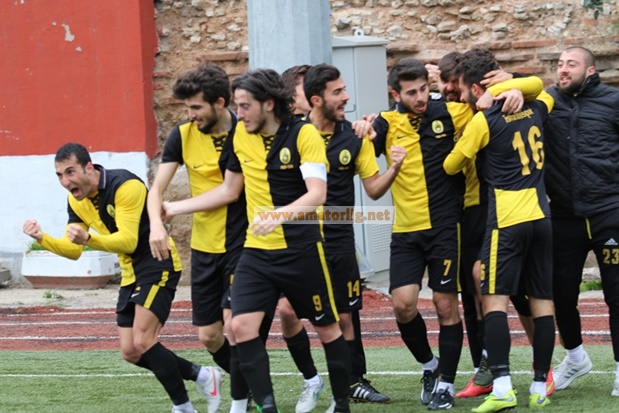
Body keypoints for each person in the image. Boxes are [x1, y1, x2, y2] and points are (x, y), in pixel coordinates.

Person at [163, 69, 352, 413]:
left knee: (327, 329)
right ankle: (267, 407)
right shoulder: (240, 134)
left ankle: (341, 405)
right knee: (239, 326)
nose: (240, 113)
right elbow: (229, 190)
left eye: (245, 106)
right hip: (256, 253)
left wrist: (277, 216)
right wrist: (174, 207)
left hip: (301, 251)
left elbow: (317, 194)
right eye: (237, 105)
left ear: (268, 104)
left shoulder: (304, 134)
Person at [370, 57, 537, 411]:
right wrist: (358, 128)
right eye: (411, 93)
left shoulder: (452, 112)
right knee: (403, 305)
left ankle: (445, 383)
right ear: (394, 94)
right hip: (405, 231)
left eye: (423, 89)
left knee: (446, 305)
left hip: (446, 228)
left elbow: (530, 89)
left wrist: (512, 85)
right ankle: (429, 366)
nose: (420, 97)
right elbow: (358, 156)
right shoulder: (384, 123)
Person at [22, 143, 221, 413]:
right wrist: (42, 238)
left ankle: (184, 407)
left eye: (70, 172)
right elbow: (73, 251)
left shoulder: (125, 186)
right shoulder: (76, 200)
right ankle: (203, 375)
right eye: (59, 175)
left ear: (88, 168)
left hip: (157, 262)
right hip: (131, 273)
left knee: (144, 340)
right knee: (131, 352)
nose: (65, 181)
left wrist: (89, 238)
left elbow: (128, 242)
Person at [276, 63, 399, 412]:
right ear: (314, 99)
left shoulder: (355, 136)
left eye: (344, 89)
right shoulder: (292, 134)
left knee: (345, 316)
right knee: (287, 310)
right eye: (338, 91)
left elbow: (373, 189)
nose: (346, 97)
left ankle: (351, 384)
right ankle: (311, 379)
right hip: (299, 239)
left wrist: (394, 167)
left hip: (339, 237)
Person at [444, 48, 555, 412]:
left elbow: (451, 165)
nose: (462, 95)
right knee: (542, 302)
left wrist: (470, 134)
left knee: (493, 301)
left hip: (506, 221)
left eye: (464, 89)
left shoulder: (483, 120)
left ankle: (503, 387)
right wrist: (516, 86)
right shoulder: (536, 107)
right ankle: (539, 387)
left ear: (478, 88)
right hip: (541, 216)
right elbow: (544, 89)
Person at [146, 61, 254, 412]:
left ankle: (241, 402)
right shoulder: (182, 135)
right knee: (209, 336)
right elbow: (156, 188)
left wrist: (175, 208)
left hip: (243, 243)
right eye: (187, 108)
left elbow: (230, 192)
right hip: (204, 247)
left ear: (220, 102)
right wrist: (156, 224)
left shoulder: (244, 133)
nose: (190, 115)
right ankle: (251, 385)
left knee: (235, 326)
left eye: (196, 107)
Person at [542, 46, 619, 396]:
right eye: (560, 64)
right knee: (560, 293)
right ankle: (575, 358)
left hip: (609, 214)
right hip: (564, 217)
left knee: (616, 294)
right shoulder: (547, 102)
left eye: (571, 64)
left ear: (590, 70)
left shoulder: (613, 101)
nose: (563, 69)